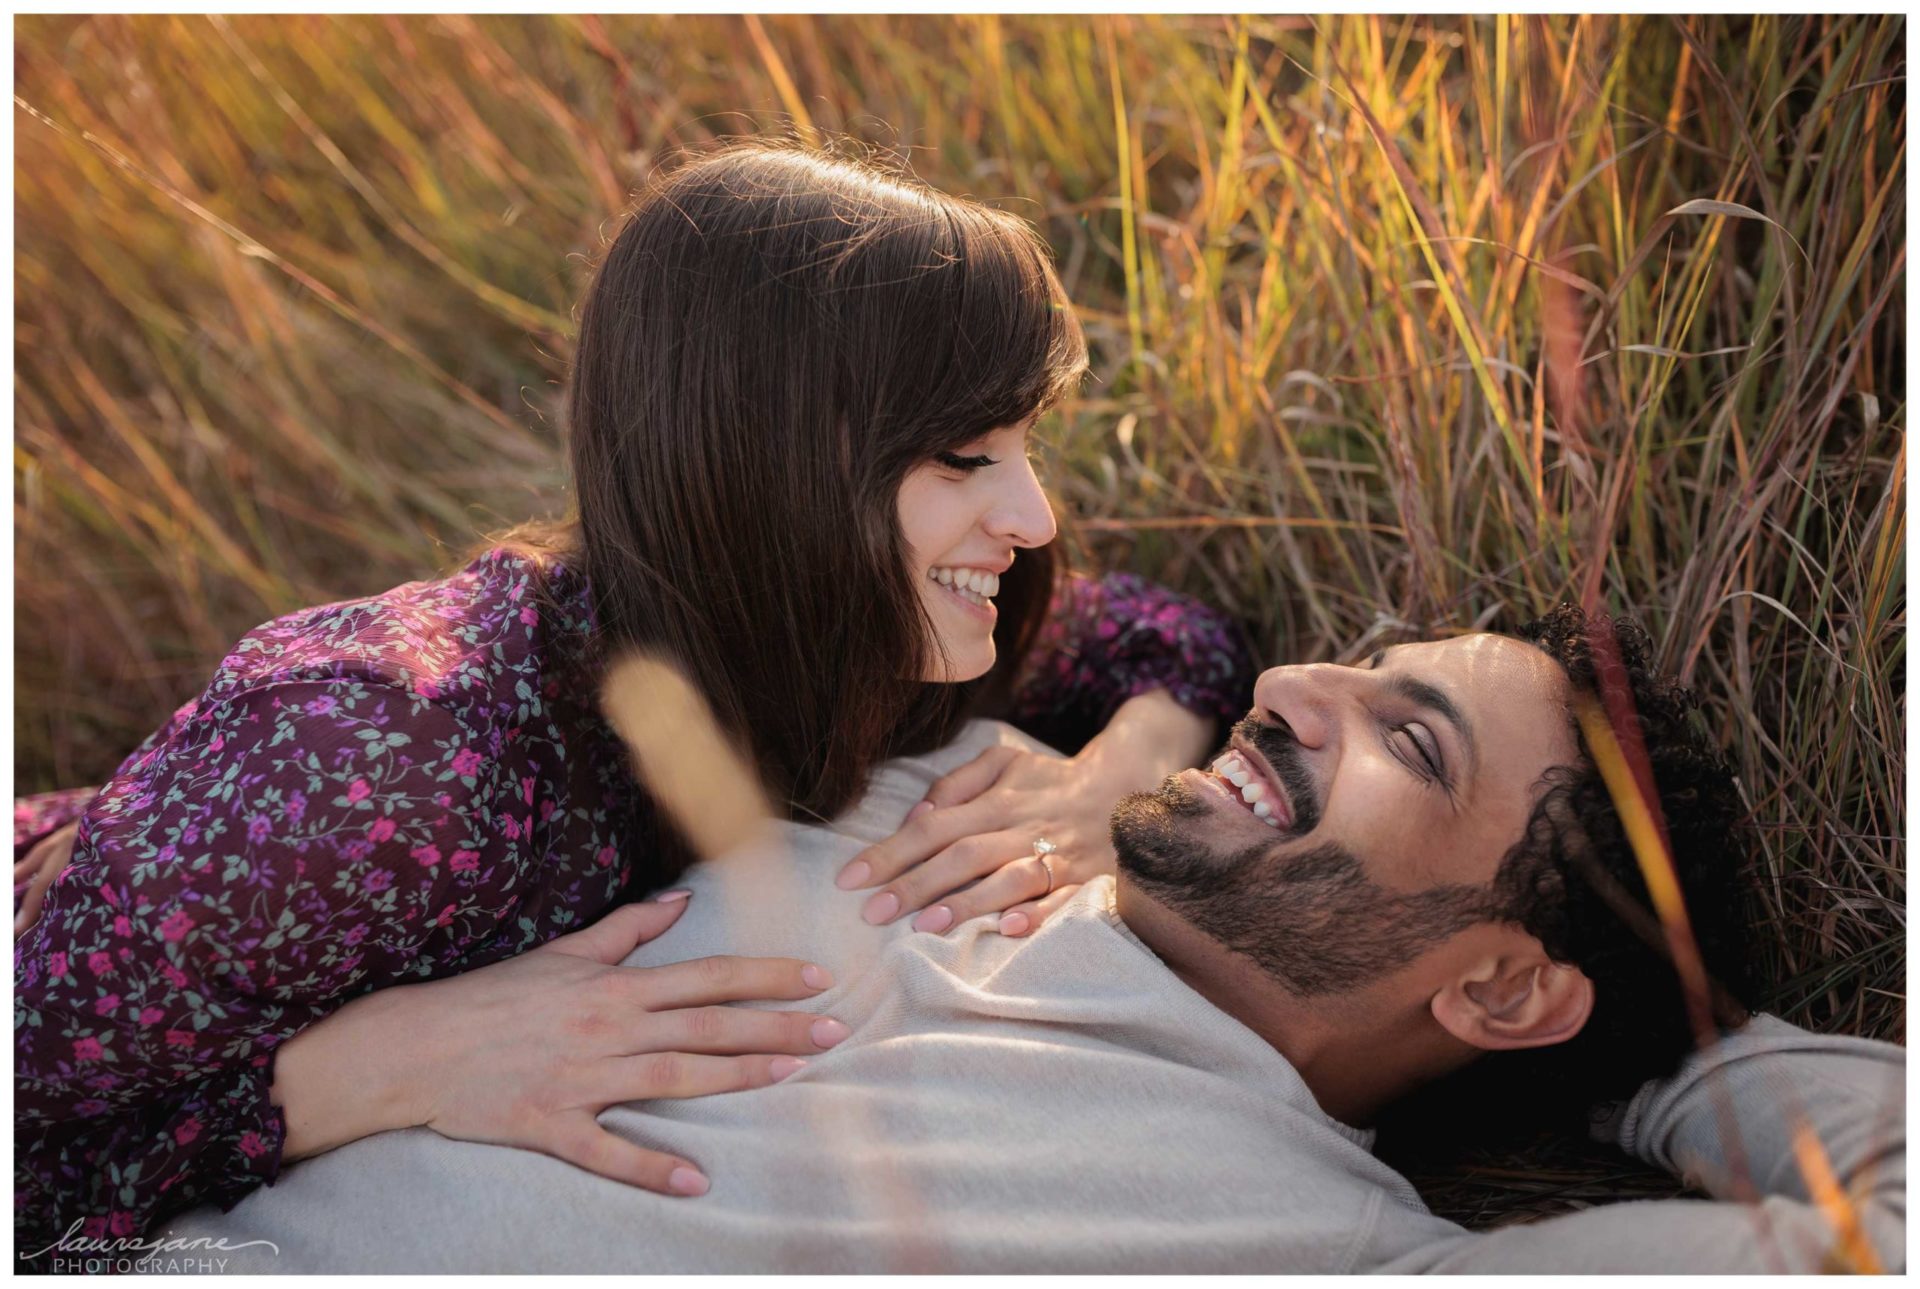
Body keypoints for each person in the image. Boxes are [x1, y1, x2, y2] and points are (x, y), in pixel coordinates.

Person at [12, 142, 1258, 1249]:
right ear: (762, 463)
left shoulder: (828, 634)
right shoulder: (381, 757)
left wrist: (1112, 777)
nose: (1033, 515)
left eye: (1027, 444)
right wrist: (357, 1074)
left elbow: (1168, 637)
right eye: (964, 458)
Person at [128, 605, 1904, 1274]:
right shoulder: (968, 776)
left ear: (1502, 981)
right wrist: (1130, 739)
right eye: (1348, 663)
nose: (1298, 689)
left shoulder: (1331, 1255)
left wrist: (1682, 1055)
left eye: (1407, 736)